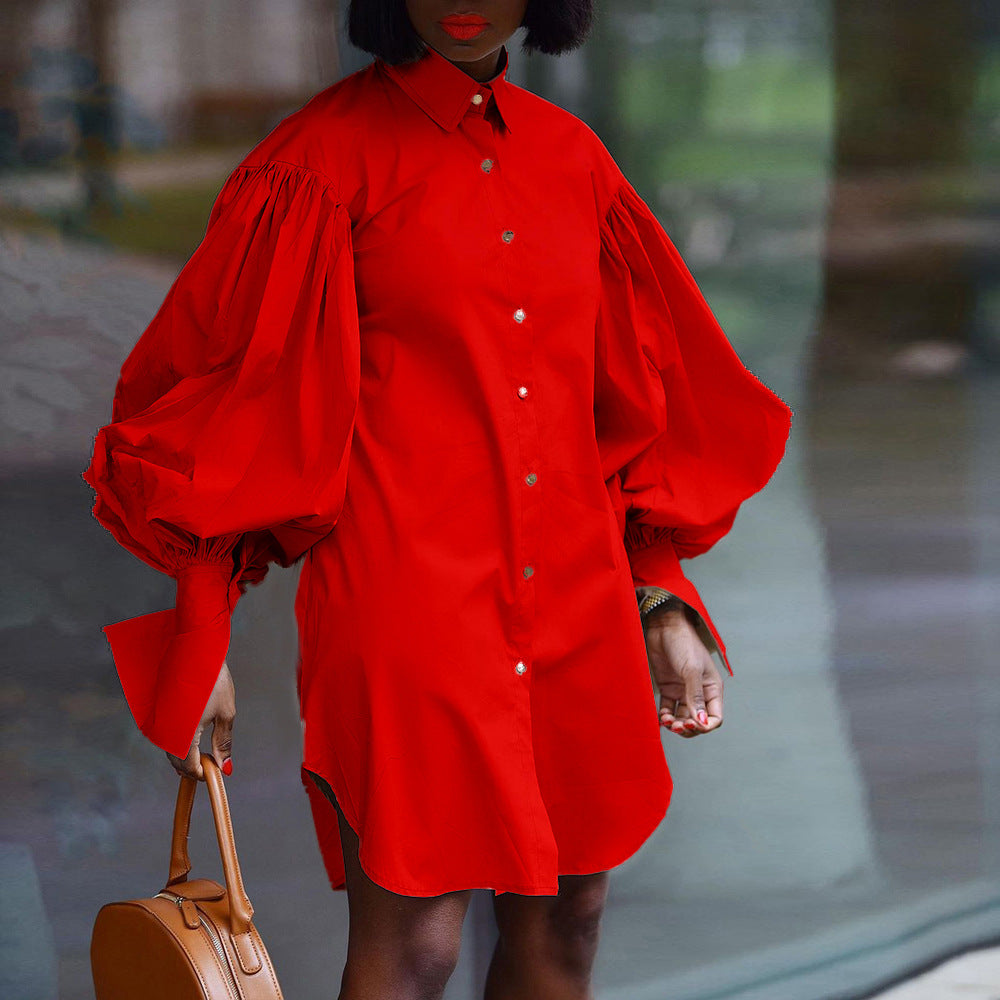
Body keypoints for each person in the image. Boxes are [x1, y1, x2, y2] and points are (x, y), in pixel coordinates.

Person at [82, 1, 793, 996]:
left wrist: (657, 592)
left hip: (576, 603)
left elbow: (634, 399)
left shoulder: (573, 160)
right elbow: (223, 411)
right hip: (410, 605)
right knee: (414, 942)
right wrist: (202, 630)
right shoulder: (318, 165)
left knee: (570, 922)